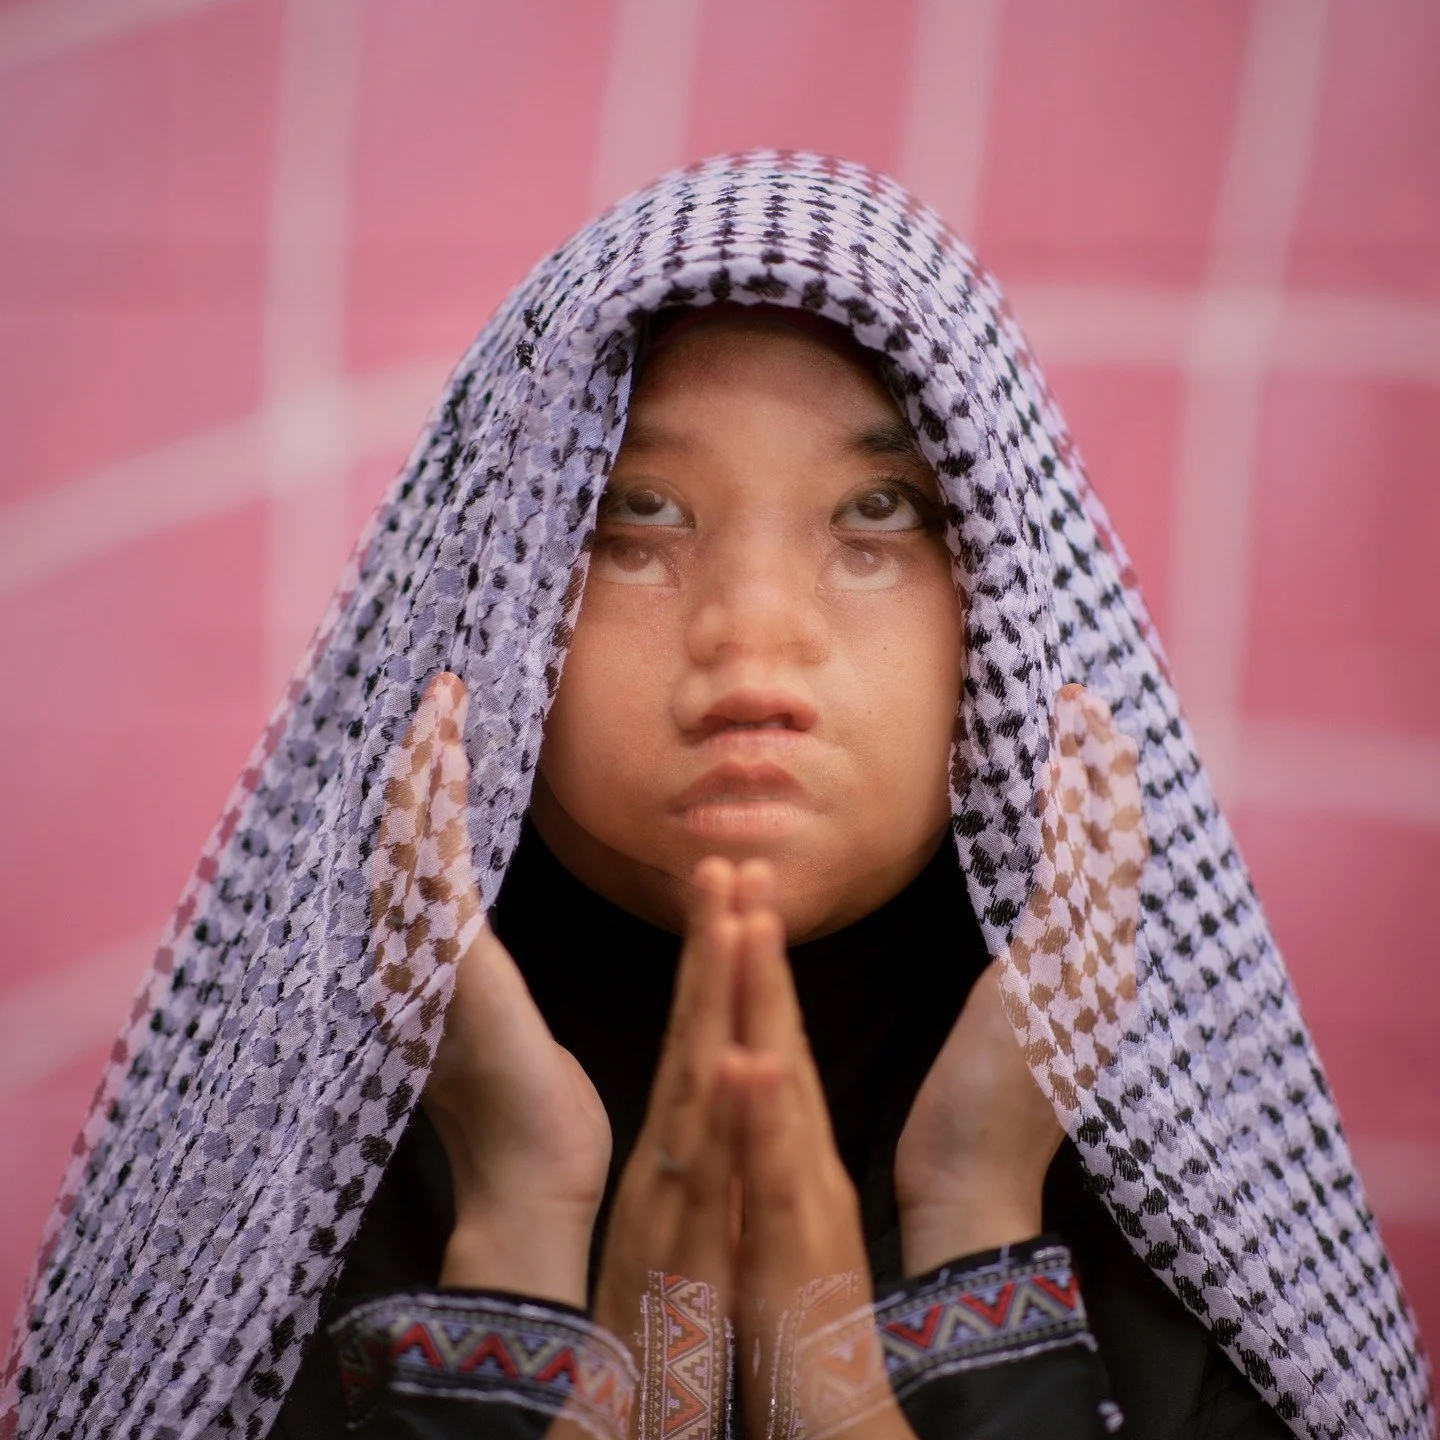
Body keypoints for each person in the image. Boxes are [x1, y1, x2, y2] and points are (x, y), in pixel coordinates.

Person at [3, 153, 1431, 1440]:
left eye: (877, 519)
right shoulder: (266, 1250)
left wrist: (978, 1212)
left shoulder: (1192, 1255)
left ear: (998, 611)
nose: (752, 644)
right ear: (497, 608)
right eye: (638, 519)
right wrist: (512, 1223)